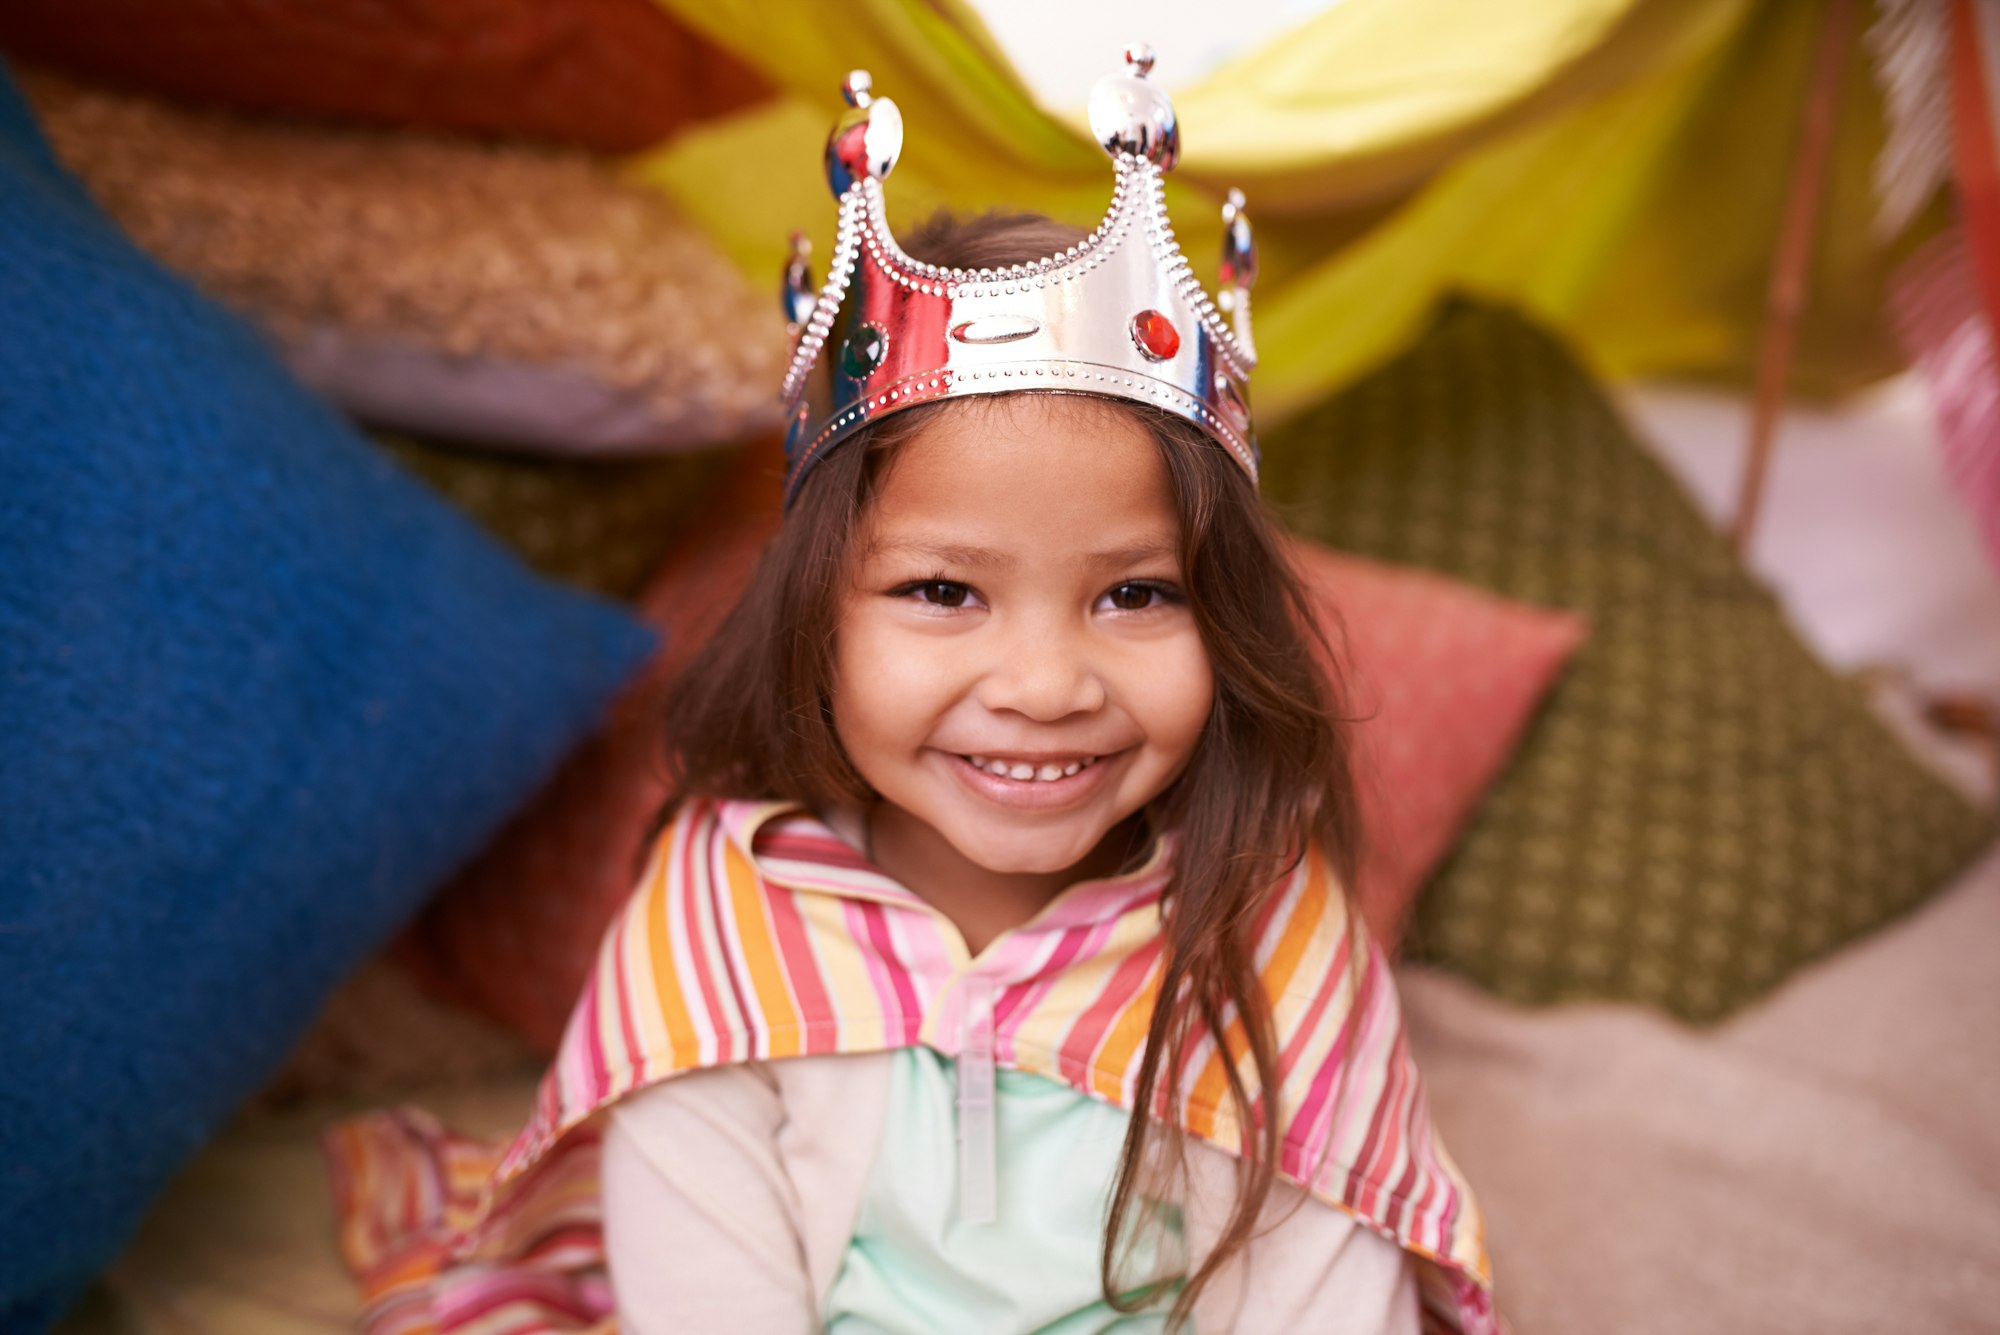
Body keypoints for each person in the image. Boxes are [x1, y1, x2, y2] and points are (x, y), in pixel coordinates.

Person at [327, 46, 1495, 1335]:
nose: (1047, 686)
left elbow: (1323, 1301)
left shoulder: (1270, 936)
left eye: (1136, 594)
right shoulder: (720, 920)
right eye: (944, 593)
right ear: (813, 619)